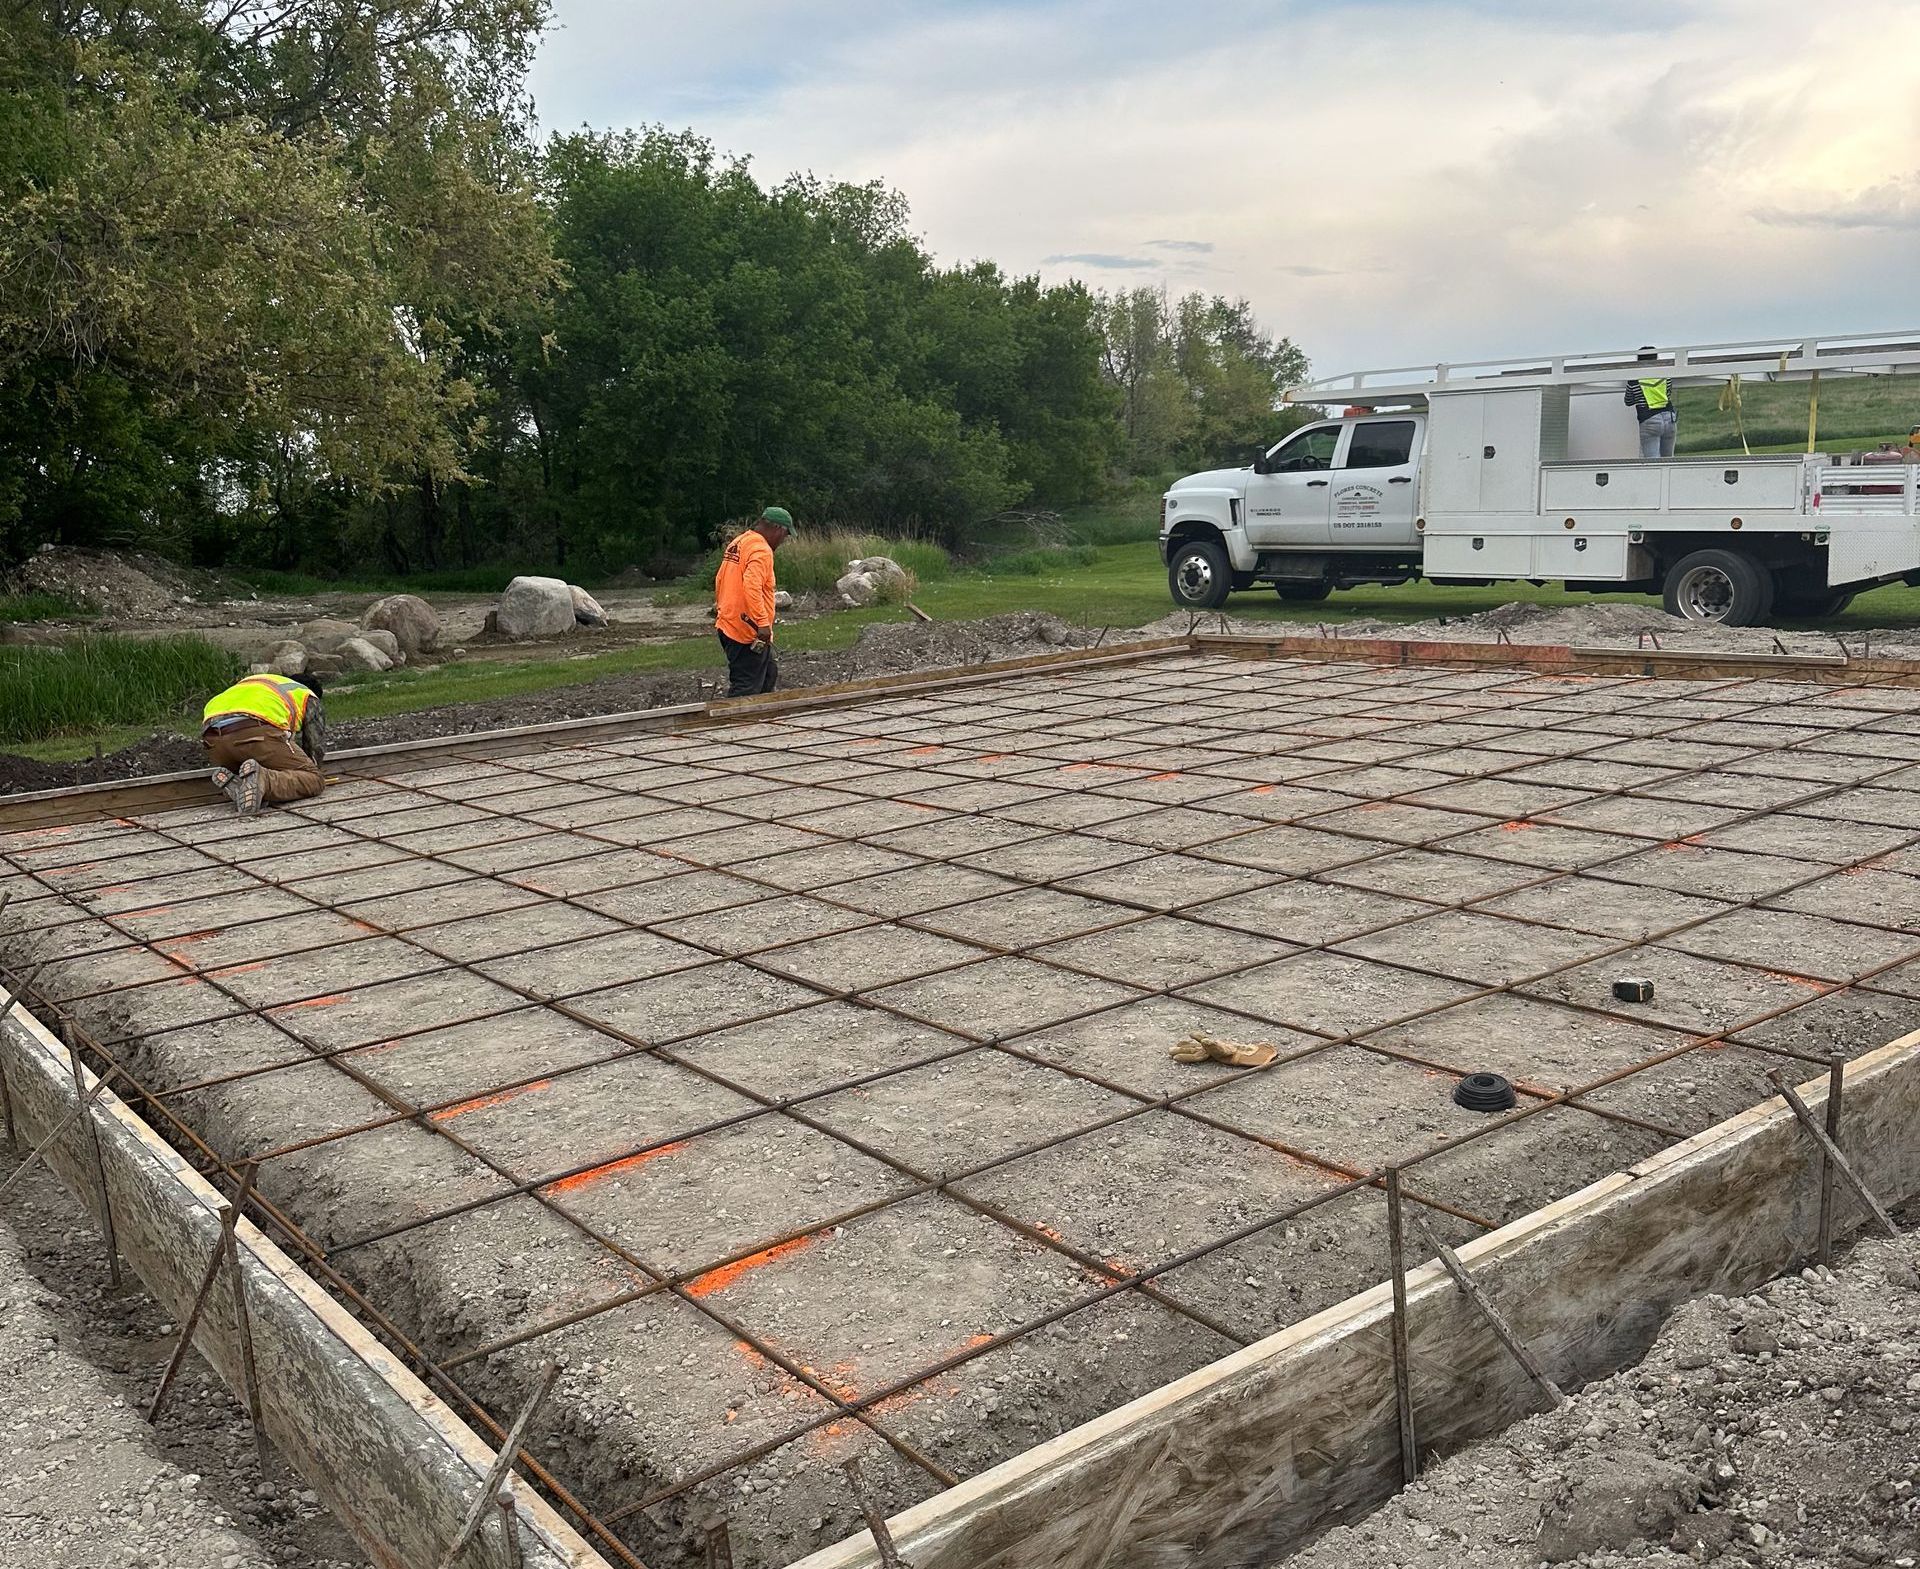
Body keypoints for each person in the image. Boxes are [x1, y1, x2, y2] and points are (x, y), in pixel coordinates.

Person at [201, 672, 328, 815]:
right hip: (254, 733)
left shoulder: (258, 684)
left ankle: (239, 782)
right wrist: (312, 769)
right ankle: (265, 782)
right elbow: (314, 744)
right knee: (315, 780)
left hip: (213, 742)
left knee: (252, 768)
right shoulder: (306, 695)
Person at [714, 505, 793, 697]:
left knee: (768, 675)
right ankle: (735, 724)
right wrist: (762, 624)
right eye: (785, 536)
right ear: (778, 529)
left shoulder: (740, 542)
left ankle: (762, 720)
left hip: (729, 622)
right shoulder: (761, 550)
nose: (783, 541)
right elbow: (752, 585)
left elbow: (720, 578)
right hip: (746, 630)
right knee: (746, 688)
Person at [1624, 346, 1676, 458]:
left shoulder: (1634, 379)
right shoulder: (1665, 375)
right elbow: (1668, 392)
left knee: (1652, 462)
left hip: (1649, 419)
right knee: (1668, 460)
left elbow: (1628, 401)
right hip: (1669, 417)